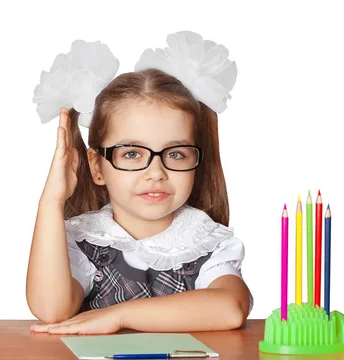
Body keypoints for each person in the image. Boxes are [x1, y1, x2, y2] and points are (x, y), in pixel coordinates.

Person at [26, 31, 253, 335]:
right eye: (132, 153)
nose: (156, 172)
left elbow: (230, 309)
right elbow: (51, 310)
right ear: (97, 166)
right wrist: (51, 201)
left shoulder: (208, 243)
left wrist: (118, 316)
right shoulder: (83, 240)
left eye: (175, 153)